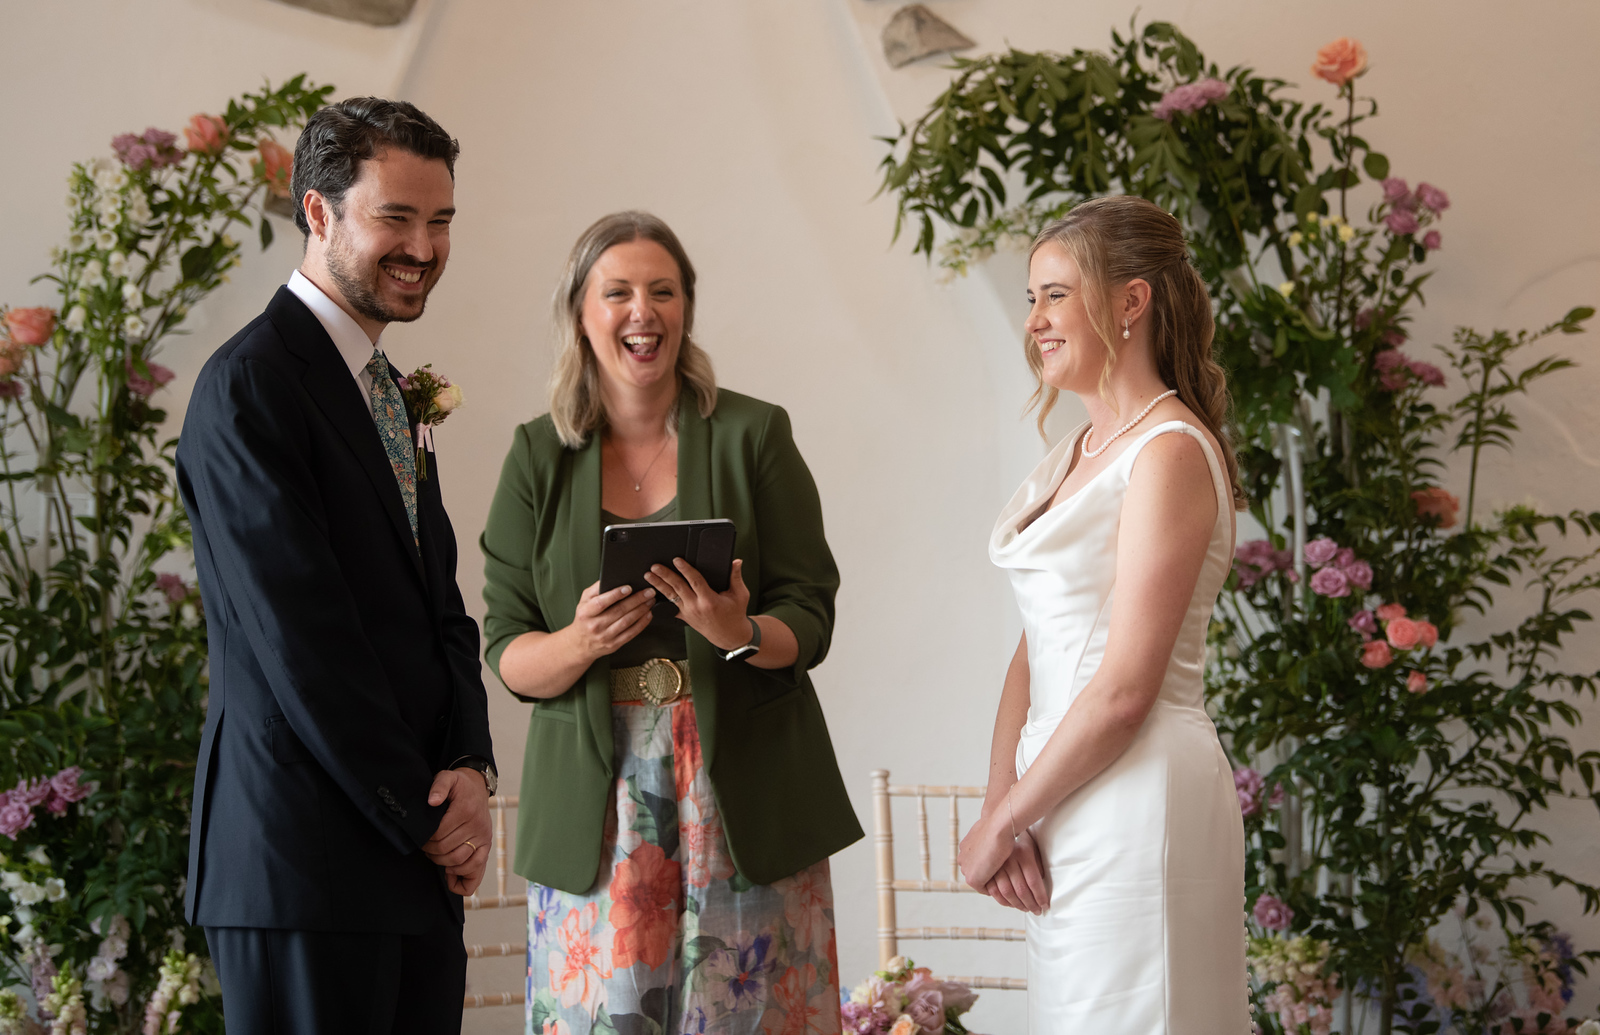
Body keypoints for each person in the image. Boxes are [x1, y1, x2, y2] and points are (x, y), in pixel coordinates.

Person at [480, 211, 861, 1035]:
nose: (642, 311)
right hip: (597, 801)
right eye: (617, 292)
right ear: (581, 312)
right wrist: (580, 640)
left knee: (752, 1018)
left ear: (686, 307)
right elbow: (505, 647)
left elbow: (811, 609)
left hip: (744, 788)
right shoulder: (536, 456)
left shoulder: (755, 433)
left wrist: (739, 630)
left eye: (663, 291)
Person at [176, 98, 495, 1033]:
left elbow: (440, 607)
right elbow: (303, 638)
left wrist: (469, 766)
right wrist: (426, 814)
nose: (424, 248)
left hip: (410, 864)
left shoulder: (389, 390)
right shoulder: (250, 385)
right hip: (303, 861)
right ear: (317, 212)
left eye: (440, 221)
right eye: (396, 217)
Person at [957, 195, 1249, 1031]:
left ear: (1131, 301)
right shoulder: (1074, 456)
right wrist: (1003, 802)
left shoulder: (1168, 452)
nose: (1035, 321)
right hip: (1060, 799)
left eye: (1056, 294)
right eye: (1032, 299)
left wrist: (1006, 820)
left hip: (1137, 803)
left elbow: (1124, 690)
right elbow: (1034, 647)